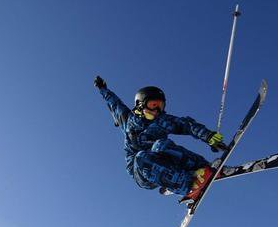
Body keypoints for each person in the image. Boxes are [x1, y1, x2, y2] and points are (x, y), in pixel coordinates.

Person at [94, 76, 227, 203]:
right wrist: (103, 89)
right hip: (142, 172)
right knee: (141, 156)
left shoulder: (161, 121)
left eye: (160, 106)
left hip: (162, 160)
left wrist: (207, 136)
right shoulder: (127, 120)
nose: (157, 110)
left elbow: (185, 124)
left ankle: (204, 170)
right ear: (140, 104)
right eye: (153, 104)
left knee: (162, 144)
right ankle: (188, 186)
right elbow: (114, 103)